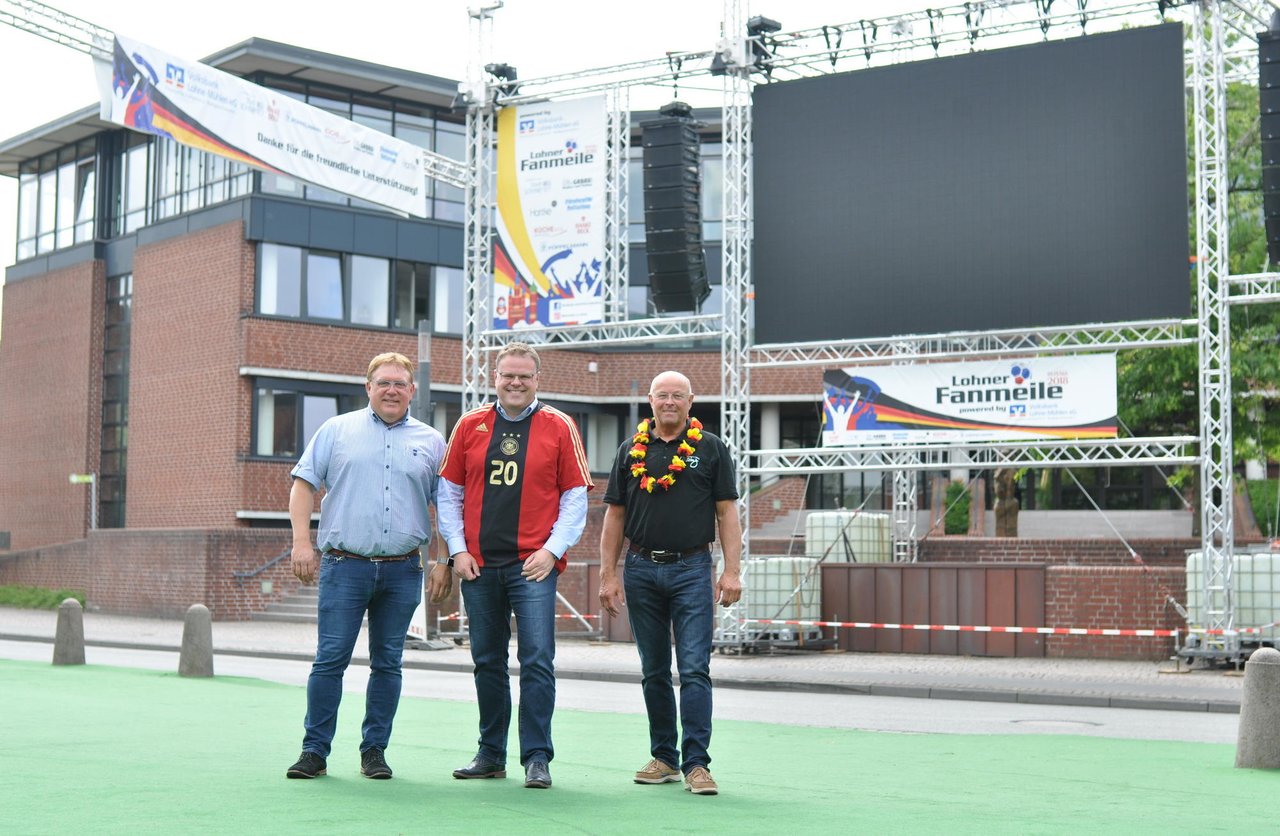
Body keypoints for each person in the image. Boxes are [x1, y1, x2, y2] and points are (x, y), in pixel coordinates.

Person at [284, 352, 449, 780]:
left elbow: (448, 507)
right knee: (330, 660)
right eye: (384, 383)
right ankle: (314, 752)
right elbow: (303, 487)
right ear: (368, 387)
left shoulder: (432, 441)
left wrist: (444, 561)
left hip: (402, 570)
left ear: (412, 390)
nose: (392, 390)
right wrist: (301, 542)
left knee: (388, 663)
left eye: (400, 383)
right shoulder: (336, 431)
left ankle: (374, 751)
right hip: (345, 566)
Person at [434, 342, 592, 790]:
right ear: (495, 377)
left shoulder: (560, 426)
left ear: (537, 379)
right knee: (487, 661)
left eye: (524, 376)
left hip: (532, 567)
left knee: (538, 660)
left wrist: (552, 549)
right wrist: (457, 550)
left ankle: (537, 757)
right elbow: (448, 494)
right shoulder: (470, 425)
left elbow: (574, 497)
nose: (516, 383)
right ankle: (490, 753)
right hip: (478, 567)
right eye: (508, 375)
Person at [598, 370, 743, 796]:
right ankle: (664, 757)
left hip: (692, 569)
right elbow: (615, 517)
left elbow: (727, 513)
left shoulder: (711, 449)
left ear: (691, 401)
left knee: (695, 668)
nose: (669, 402)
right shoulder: (629, 450)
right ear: (650, 400)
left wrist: (732, 571)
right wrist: (608, 575)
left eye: (677, 396)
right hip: (640, 569)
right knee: (654, 669)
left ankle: (697, 763)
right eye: (662, 395)